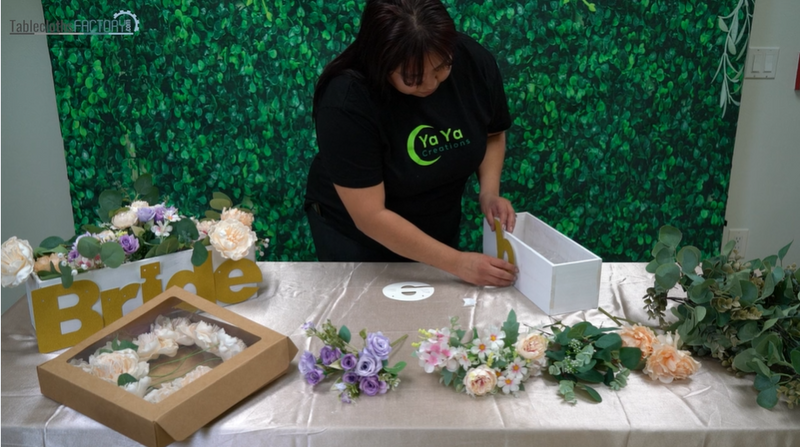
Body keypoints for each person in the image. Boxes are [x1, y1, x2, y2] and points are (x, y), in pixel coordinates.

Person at [304, 0, 517, 287]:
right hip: (358, 234)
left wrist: (488, 193)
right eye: (413, 78)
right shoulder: (346, 100)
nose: (431, 84)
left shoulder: (474, 62)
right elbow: (370, 216)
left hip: (436, 221)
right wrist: (458, 263)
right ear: (381, 64)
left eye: (442, 68)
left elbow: (493, 133)